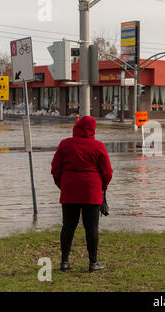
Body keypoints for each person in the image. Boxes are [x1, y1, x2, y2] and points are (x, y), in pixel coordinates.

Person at [51, 116, 113, 272]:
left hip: (70, 190)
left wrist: (63, 185)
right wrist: (102, 187)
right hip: (91, 191)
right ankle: (93, 263)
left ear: (76, 127)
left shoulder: (65, 144)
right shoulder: (98, 146)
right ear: (93, 129)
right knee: (91, 228)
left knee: (68, 226)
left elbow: (55, 169)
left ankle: (64, 262)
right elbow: (107, 172)